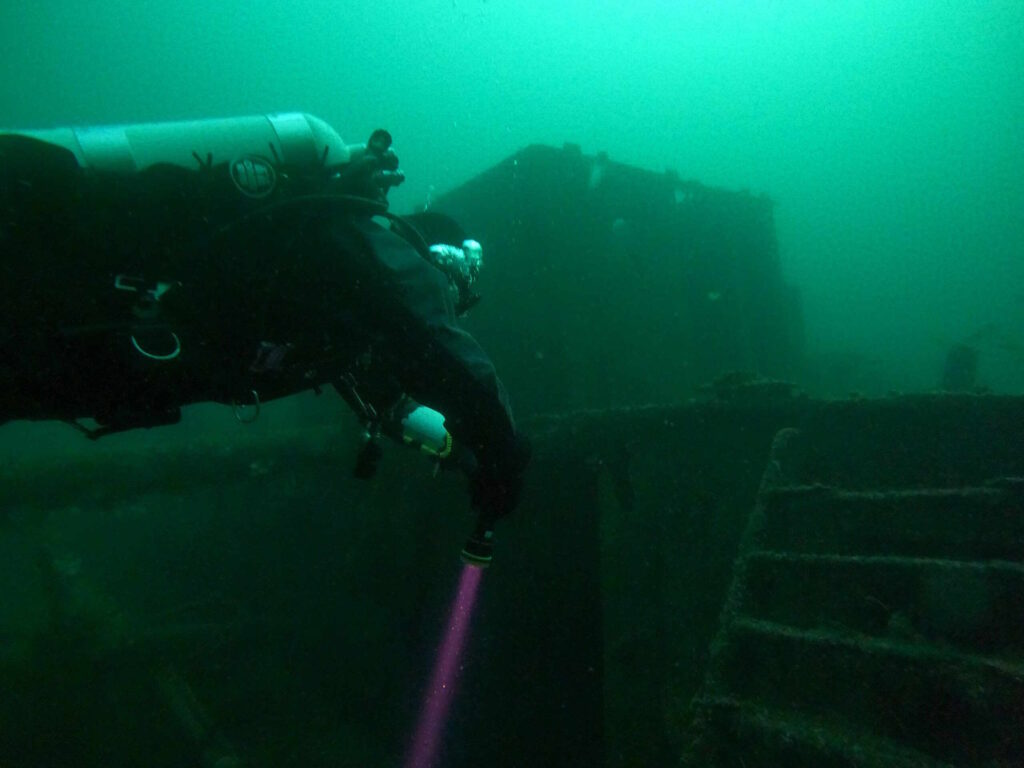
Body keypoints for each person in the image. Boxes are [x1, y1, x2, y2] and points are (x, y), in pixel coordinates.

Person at [0, 113, 529, 540]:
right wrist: (504, 446)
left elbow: (394, 405)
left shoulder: (352, 319)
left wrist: (463, 452)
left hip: (98, 349)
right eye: (454, 273)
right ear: (427, 251)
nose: (450, 293)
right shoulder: (367, 241)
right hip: (85, 294)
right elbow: (433, 334)